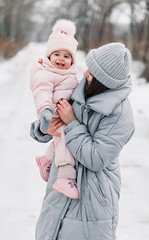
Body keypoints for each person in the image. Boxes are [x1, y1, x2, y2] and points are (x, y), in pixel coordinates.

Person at [31, 42, 135, 240]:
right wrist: (45, 128)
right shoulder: (85, 88)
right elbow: (58, 116)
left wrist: (72, 124)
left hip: (92, 197)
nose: (86, 72)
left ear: (105, 81)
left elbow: (95, 159)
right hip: (61, 185)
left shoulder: (121, 115)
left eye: (93, 71)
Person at [30, 19, 79, 199]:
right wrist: (44, 111)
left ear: (72, 61)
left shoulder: (71, 74)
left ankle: (47, 160)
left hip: (64, 114)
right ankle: (65, 177)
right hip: (52, 115)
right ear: (49, 56)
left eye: (67, 56)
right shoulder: (46, 73)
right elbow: (41, 91)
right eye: (57, 54)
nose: (61, 59)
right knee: (66, 142)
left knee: (59, 141)